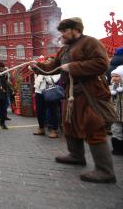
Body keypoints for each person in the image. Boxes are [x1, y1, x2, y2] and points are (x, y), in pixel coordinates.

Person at [32, 17, 116, 183]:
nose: (62, 34)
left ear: (76, 29)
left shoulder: (90, 42)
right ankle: (76, 156)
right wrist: (38, 66)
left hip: (90, 91)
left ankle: (105, 170)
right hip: (71, 93)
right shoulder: (64, 50)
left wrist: (73, 67)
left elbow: (101, 64)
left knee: (93, 126)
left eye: (65, 31)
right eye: (61, 31)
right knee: (70, 123)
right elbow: (53, 67)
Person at [33, 73, 60, 138]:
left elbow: (51, 81)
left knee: (52, 111)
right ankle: (41, 128)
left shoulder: (56, 71)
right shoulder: (41, 70)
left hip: (50, 92)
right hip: (39, 92)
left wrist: (44, 73)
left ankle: (54, 130)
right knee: (39, 111)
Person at [109, 65, 123, 155]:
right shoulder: (111, 87)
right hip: (116, 113)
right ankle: (117, 148)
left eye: (117, 76)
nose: (114, 78)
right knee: (115, 129)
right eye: (113, 76)